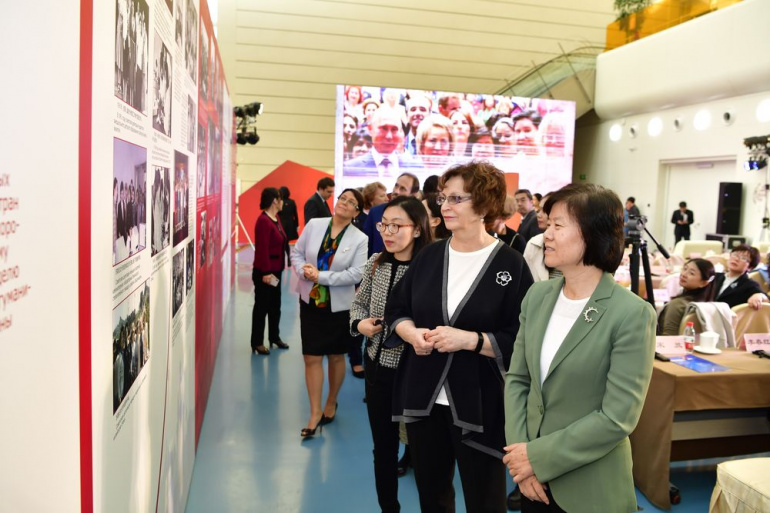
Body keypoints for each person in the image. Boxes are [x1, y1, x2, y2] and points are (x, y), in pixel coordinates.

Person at [384, 161, 533, 513]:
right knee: (432, 497)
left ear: (483, 205)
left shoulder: (511, 265)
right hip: (424, 397)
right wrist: (410, 333)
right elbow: (397, 308)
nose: (444, 207)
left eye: (456, 199)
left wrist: (470, 340)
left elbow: (523, 338)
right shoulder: (429, 256)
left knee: (485, 500)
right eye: (443, 198)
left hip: (479, 402)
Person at [503, 184, 656, 513]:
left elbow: (617, 418)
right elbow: (518, 379)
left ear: (594, 234)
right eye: (547, 224)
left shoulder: (631, 313)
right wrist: (520, 455)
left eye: (558, 225)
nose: (547, 235)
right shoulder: (537, 296)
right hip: (530, 480)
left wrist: (536, 457)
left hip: (591, 487)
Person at [350, 196, 433, 513]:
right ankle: (389, 508)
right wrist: (360, 324)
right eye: (384, 225)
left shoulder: (431, 268)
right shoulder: (376, 263)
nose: (387, 232)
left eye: (396, 226)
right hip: (377, 370)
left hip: (417, 373)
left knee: (425, 452)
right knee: (383, 448)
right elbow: (358, 305)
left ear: (417, 229)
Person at [292, 188, 368, 438]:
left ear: (357, 212)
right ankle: (314, 412)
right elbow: (297, 252)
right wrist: (303, 271)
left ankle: (331, 401)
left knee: (336, 356)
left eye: (351, 202)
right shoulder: (315, 224)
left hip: (339, 308)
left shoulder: (360, 238)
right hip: (311, 302)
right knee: (311, 357)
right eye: (342, 198)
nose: (344, 203)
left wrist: (321, 276)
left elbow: (356, 274)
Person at [250, 187, 289, 355]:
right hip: (265, 273)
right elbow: (262, 249)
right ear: (275, 200)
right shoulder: (263, 221)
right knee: (261, 308)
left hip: (276, 272)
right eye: (280, 199)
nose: (282, 202)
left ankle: (274, 336)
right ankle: (257, 342)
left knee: (275, 306)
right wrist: (266, 273)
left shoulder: (276, 218)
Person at [344, 108, 424, 179]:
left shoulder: (415, 168)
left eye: (394, 129)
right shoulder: (350, 168)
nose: (389, 136)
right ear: (370, 129)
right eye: (384, 128)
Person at [363, 173, 420, 256]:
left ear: (413, 194)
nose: (396, 191)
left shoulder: (418, 215)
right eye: (396, 186)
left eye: (403, 189)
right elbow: (366, 246)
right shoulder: (375, 212)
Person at [658, 258, 715, 335]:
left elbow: (669, 337)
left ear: (703, 283)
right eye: (685, 269)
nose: (684, 274)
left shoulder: (677, 305)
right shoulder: (707, 304)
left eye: (691, 273)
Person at [713, 244, 768, 309]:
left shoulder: (749, 285)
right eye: (735, 255)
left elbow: (765, 297)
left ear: (750, 267)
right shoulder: (715, 276)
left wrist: (760, 295)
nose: (736, 259)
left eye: (743, 258)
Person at [277, 186, 299, 263]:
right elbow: (295, 215)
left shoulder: (279, 202)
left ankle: (282, 259)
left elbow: (276, 214)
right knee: (286, 242)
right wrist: (296, 225)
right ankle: (288, 259)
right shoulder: (292, 202)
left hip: (281, 225)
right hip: (290, 225)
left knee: (282, 243)